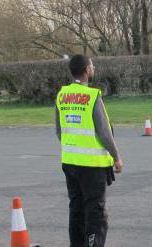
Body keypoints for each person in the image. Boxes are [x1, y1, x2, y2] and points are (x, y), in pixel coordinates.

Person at [55, 54, 123, 247]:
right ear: (86, 70)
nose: (93, 68)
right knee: (95, 212)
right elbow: (104, 132)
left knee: (76, 209)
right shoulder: (92, 96)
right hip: (92, 166)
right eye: (92, 65)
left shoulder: (62, 95)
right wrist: (116, 157)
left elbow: (59, 131)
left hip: (69, 162)